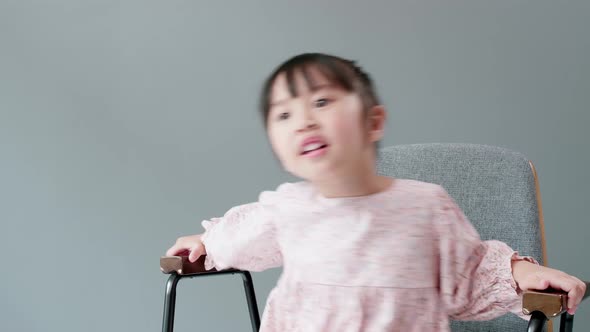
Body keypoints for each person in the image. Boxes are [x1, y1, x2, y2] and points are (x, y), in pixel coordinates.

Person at [166, 53, 586, 331]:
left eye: (322, 102)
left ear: (373, 121)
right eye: (283, 114)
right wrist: (207, 241)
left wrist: (521, 273)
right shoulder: (287, 208)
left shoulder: (424, 206)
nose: (303, 122)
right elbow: (239, 240)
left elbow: (470, 272)